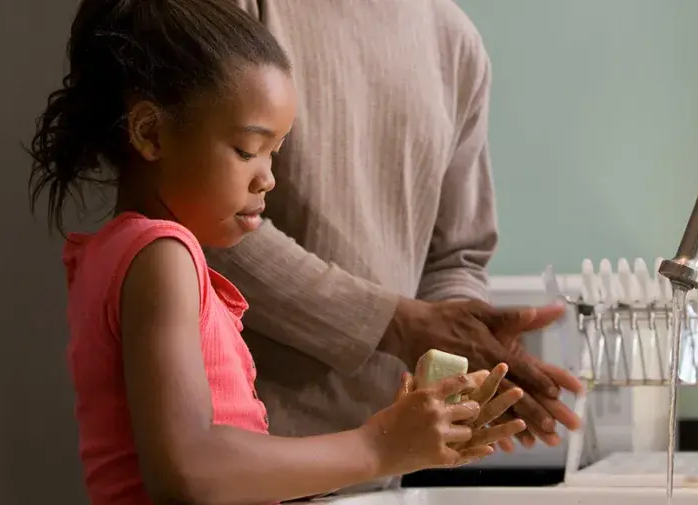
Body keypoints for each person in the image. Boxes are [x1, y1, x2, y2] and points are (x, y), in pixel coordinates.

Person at [26, 0, 527, 503]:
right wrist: (380, 445)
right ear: (151, 133)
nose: (268, 178)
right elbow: (189, 471)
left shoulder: (127, 252)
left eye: (275, 152)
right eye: (248, 150)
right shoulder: (161, 256)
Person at [204, 0, 585, 478]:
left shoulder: (453, 39)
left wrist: (465, 352)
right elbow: (204, 224)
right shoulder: (237, 9)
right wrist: (399, 323)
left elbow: (455, 257)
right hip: (246, 460)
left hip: (390, 468)